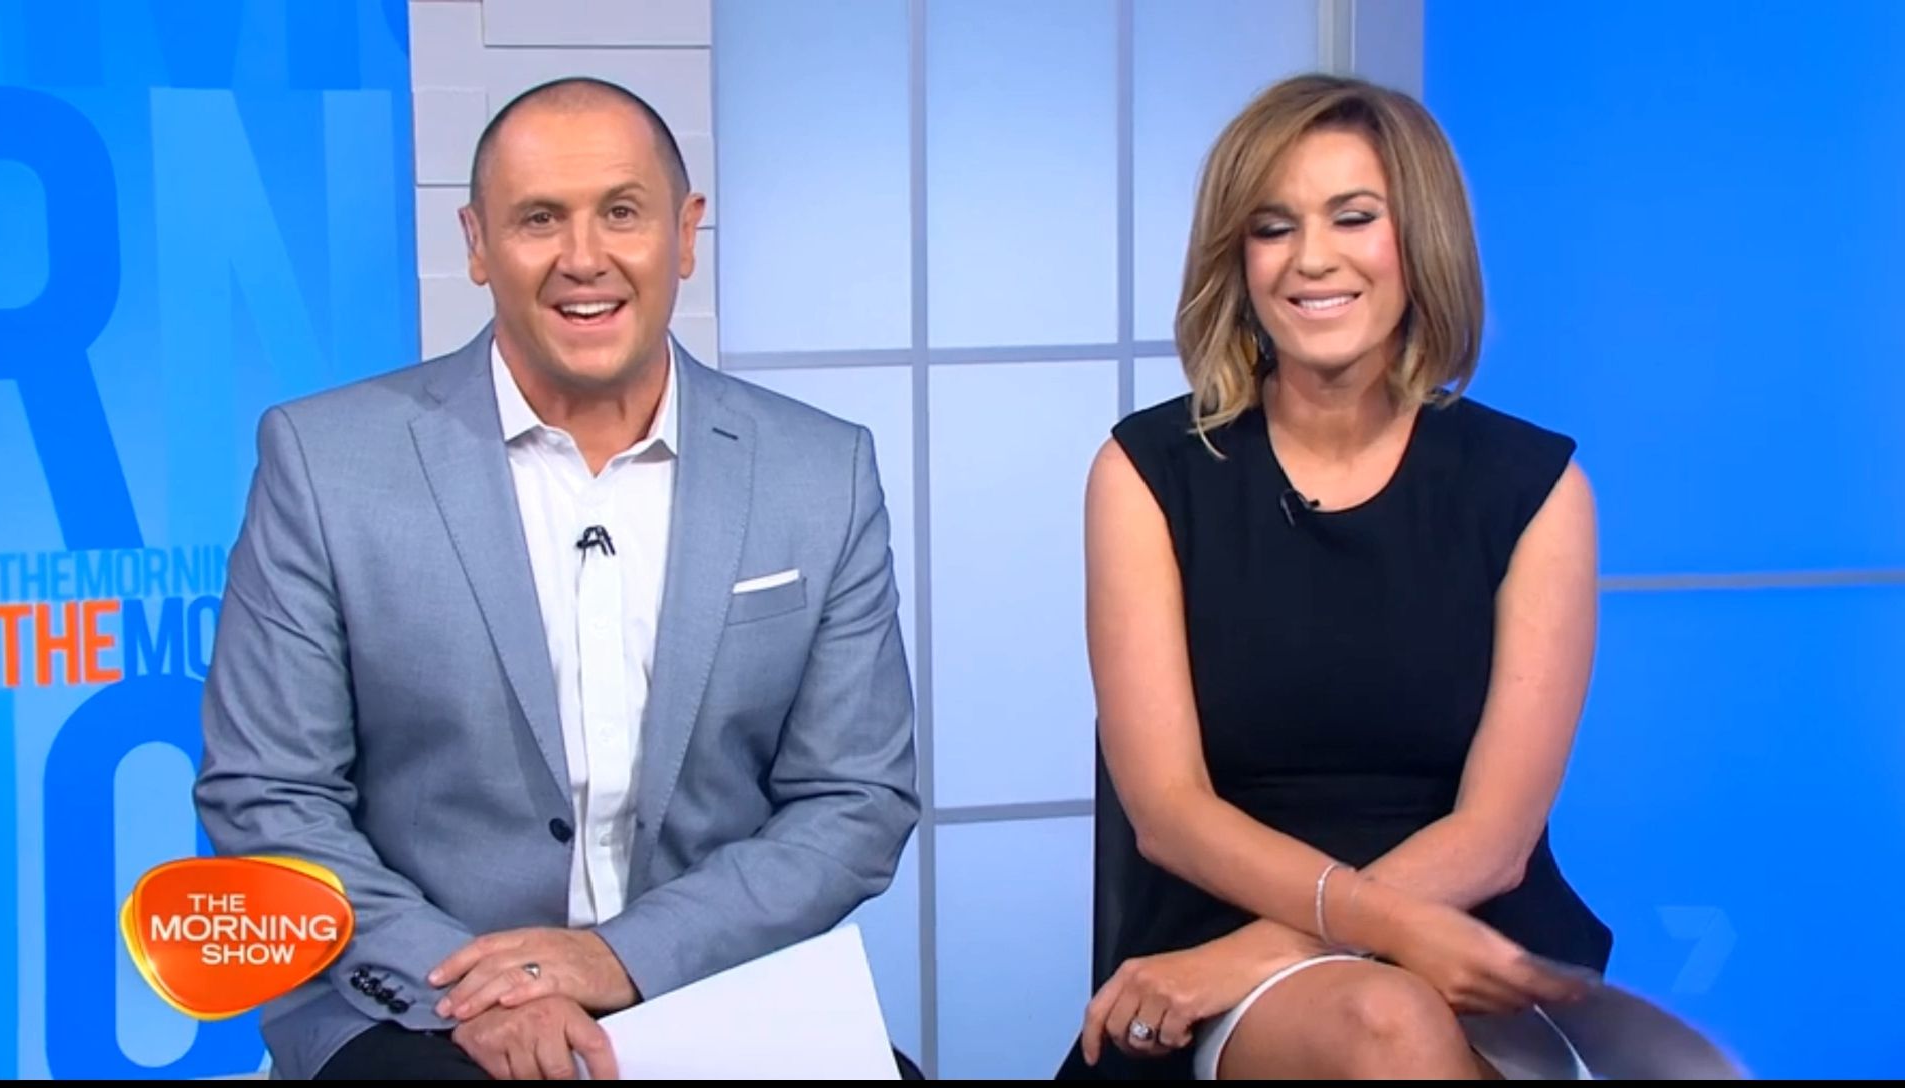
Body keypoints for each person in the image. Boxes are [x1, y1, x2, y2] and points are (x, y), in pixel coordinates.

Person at [194, 77, 919, 1080]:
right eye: (539, 219)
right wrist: (480, 989)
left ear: (685, 232)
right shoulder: (325, 462)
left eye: (622, 212)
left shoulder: (820, 470)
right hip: (418, 1003)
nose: (584, 257)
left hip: (708, 983)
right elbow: (270, 793)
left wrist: (621, 957)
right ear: (477, 243)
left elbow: (855, 798)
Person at [1057, 73, 1613, 1080]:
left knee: (1408, 1015)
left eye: (1353, 218)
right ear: (1238, 260)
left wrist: (1275, 947)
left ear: (1421, 239)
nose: (1311, 258)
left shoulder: (1534, 488)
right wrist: (1287, 947)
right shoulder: (1146, 473)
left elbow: (1495, 837)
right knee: (1384, 1022)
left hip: (1467, 929)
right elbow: (1168, 811)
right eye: (1272, 228)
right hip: (1224, 927)